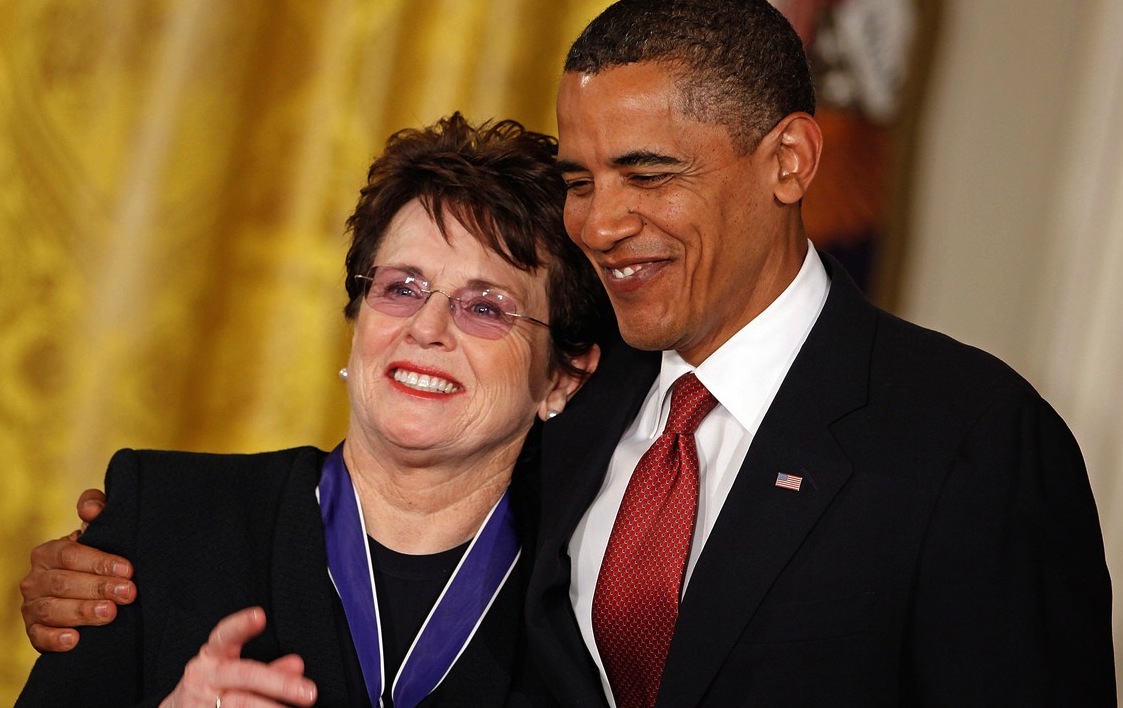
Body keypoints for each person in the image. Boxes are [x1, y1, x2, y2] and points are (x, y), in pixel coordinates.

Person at [20, 0, 1118, 705]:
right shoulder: (584, 408)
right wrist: (122, 590)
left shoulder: (967, 441)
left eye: (649, 174)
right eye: (583, 182)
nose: (599, 224)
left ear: (788, 161)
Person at [16, 112, 606, 707]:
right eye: (401, 288)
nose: (427, 328)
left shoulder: (595, 594)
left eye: (485, 307)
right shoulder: (165, 516)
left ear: (563, 376)